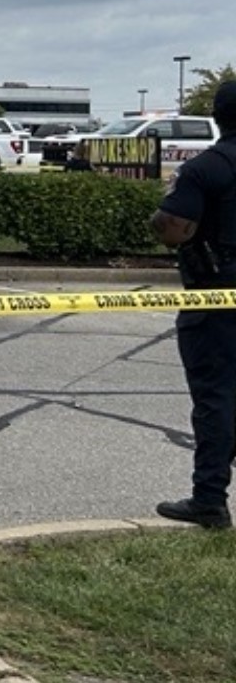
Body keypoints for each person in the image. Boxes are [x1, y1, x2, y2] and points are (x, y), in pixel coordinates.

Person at [147, 80, 236, 529]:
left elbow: (172, 228)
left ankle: (208, 498)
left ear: (217, 116)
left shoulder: (207, 168)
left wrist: (159, 214)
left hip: (216, 299)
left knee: (215, 397)